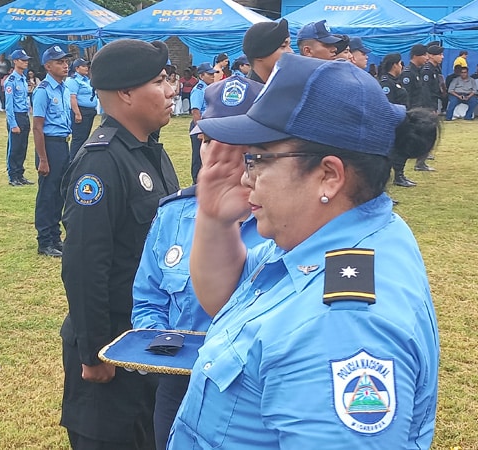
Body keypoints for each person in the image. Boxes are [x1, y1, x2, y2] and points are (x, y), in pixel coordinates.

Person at [168, 53, 440, 449]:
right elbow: (227, 297)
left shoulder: (341, 326)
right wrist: (215, 220)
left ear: (328, 175)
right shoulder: (336, 235)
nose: (246, 176)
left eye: (259, 158)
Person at [131, 74, 265, 450]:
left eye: (234, 143)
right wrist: (158, 346)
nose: (216, 154)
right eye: (207, 141)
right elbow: (149, 295)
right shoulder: (174, 214)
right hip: (178, 384)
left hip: (247, 388)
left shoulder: (283, 222)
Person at [60, 38, 180, 450]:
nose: (172, 91)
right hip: (113, 344)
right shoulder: (101, 162)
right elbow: (83, 263)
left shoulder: (150, 153)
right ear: (126, 93)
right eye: (161, 81)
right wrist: (94, 352)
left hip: (149, 339)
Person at [32, 45, 72, 257]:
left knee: (59, 193)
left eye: (66, 61)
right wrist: (43, 159)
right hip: (49, 144)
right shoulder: (43, 91)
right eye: (59, 62)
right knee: (47, 194)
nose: (65, 65)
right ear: (48, 66)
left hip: (63, 143)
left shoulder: (64, 89)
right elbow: (38, 127)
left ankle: (55, 237)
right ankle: (44, 240)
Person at [379, 53, 416, 188]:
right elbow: (387, 103)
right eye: (400, 63)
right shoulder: (386, 82)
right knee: (392, 151)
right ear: (394, 64)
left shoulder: (395, 81)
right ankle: (390, 179)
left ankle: (399, 175)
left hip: (402, 119)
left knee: (402, 148)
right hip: (393, 121)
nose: (401, 66)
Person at [402, 44, 436, 172]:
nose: (427, 58)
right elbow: (407, 94)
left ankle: (421, 162)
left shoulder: (418, 71)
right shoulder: (408, 73)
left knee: (424, 136)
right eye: (424, 55)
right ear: (416, 56)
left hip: (421, 109)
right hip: (413, 111)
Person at [4, 49, 34, 187]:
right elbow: (9, 105)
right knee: (14, 147)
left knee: (23, 146)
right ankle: (13, 175)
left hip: (24, 115)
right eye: (23, 60)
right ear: (15, 61)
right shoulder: (11, 80)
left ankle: (20, 174)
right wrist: (13, 123)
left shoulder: (23, 78)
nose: (26, 62)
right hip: (15, 115)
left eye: (26, 60)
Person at [189, 62, 217, 183]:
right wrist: (200, 130)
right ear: (201, 76)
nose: (212, 76)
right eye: (209, 74)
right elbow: (196, 111)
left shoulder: (209, 88)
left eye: (213, 73)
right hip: (200, 126)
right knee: (198, 157)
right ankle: (196, 181)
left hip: (208, 126)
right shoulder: (199, 90)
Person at [65, 58, 98, 161]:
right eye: (83, 66)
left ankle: (80, 159)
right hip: (81, 111)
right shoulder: (73, 80)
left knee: (84, 138)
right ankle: (73, 160)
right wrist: (77, 113)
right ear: (77, 68)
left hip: (89, 112)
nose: (86, 68)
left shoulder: (86, 80)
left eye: (87, 66)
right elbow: (72, 97)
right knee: (78, 138)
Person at [242, 18, 292, 84]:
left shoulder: (286, 86)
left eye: (289, 45)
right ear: (259, 54)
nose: (291, 52)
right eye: (283, 46)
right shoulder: (249, 92)